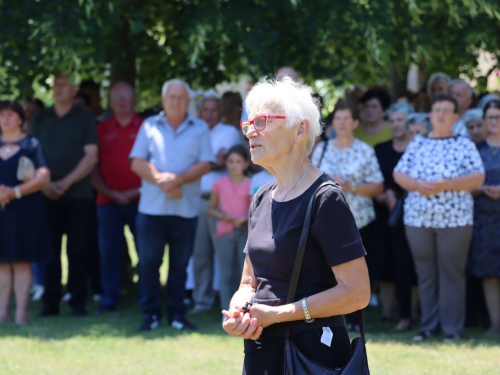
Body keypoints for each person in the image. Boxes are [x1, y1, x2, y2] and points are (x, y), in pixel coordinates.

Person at [222, 77, 370, 374]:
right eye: (248, 123)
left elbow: (357, 292)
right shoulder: (262, 197)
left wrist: (278, 315)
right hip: (262, 353)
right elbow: (249, 282)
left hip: (313, 356)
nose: (251, 131)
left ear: (300, 130)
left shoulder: (325, 198)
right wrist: (240, 310)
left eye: (262, 121)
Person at [394, 94, 485, 342]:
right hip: (418, 219)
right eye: (436, 110)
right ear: (431, 115)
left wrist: (448, 184)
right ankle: (428, 327)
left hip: (455, 220)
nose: (441, 114)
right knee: (425, 274)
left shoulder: (464, 144)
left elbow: (478, 177)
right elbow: (398, 173)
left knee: (452, 274)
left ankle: (452, 330)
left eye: (446, 110)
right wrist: (416, 185)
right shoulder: (418, 142)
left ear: (455, 117)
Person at [130, 79, 214, 331]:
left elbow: (206, 164)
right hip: (151, 210)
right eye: (171, 97)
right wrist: (162, 180)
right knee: (148, 264)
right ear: (163, 100)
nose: (176, 101)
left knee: (179, 267)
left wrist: (176, 179)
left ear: (188, 101)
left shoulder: (199, 128)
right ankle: (150, 315)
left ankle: (177, 315)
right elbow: (136, 162)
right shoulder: (148, 125)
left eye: (180, 97)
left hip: (185, 210)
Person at [30, 73, 99, 317]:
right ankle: (50, 303)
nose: (59, 89)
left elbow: (91, 156)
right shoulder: (41, 118)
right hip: (46, 195)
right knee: (49, 250)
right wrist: (47, 184)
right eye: (56, 85)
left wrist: (64, 183)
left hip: (79, 195)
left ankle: (78, 302)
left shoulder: (84, 118)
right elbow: (30, 156)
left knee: (78, 249)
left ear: (74, 90)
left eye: (64, 85)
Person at [92, 82, 143, 313]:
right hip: (107, 202)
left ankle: (146, 295)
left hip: (142, 201)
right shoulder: (100, 129)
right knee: (108, 253)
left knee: (147, 251)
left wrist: (137, 191)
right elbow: (93, 167)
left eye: (127, 95)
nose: (123, 100)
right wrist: (110, 193)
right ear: (110, 102)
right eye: (117, 96)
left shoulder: (146, 126)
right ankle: (110, 298)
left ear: (135, 100)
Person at [0, 101, 52, 325]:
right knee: (1, 262)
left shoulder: (32, 144)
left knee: (22, 261)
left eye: (10, 115)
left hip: (25, 211)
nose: (5, 119)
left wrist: (16, 192)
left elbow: (44, 176)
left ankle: (21, 312)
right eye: (1, 115)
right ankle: (2, 311)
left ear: (21, 119)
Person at [190, 95, 241, 314]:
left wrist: (202, 164)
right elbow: (208, 163)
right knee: (200, 255)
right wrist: (211, 162)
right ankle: (202, 301)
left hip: (223, 204)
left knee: (227, 257)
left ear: (220, 112)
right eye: (205, 110)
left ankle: (233, 305)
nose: (209, 114)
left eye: (213, 110)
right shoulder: (193, 131)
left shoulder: (229, 133)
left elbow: (228, 163)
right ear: (200, 112)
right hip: (196, 200)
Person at [373, 102, 418, 330]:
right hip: (385, 215)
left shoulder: (417, 147)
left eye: (401, 120)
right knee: (387, 264)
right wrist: (385, 197)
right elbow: (374, 180)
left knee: (409, 264)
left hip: (413, 214)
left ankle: (409, 314)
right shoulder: (380, 149)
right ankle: (388, 314)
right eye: (393, 121)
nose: (397, 125)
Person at [467, 99, 500, 335]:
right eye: (491, 118)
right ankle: (495, 324)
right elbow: (465, 185)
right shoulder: (475, 150)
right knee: (489, 272)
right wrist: (482, 189)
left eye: (499, 117)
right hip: (484, 219)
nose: (495, 122)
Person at [208, 145, 251, 310]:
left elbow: (253, 210)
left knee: (244, 274)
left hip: (244, 232)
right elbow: (211, 209)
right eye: (231, 161)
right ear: (225, 163)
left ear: (246, 164)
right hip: (224, 233)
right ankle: (226, 311)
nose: (234, 165)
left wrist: (245, 219)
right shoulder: (219, 184)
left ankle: (243, 309)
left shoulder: (250, 183)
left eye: (238, 161)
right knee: (225, 273)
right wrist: (224, 217)